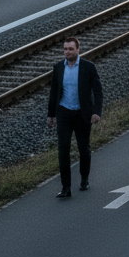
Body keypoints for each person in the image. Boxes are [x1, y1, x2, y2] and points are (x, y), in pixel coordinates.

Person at [47, 36, 103, 197]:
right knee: (63, 148)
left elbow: (98, 91)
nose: (67, 52)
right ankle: (66, 187)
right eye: (65, 49)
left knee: (83, 148)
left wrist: (96, 112)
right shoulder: (58, 67)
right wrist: (51, 115)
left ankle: (84, 178)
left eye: (70, 49)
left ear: (78, 49)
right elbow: (54, 92)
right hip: (64, 112)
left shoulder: (88, 67)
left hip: (82, 113)